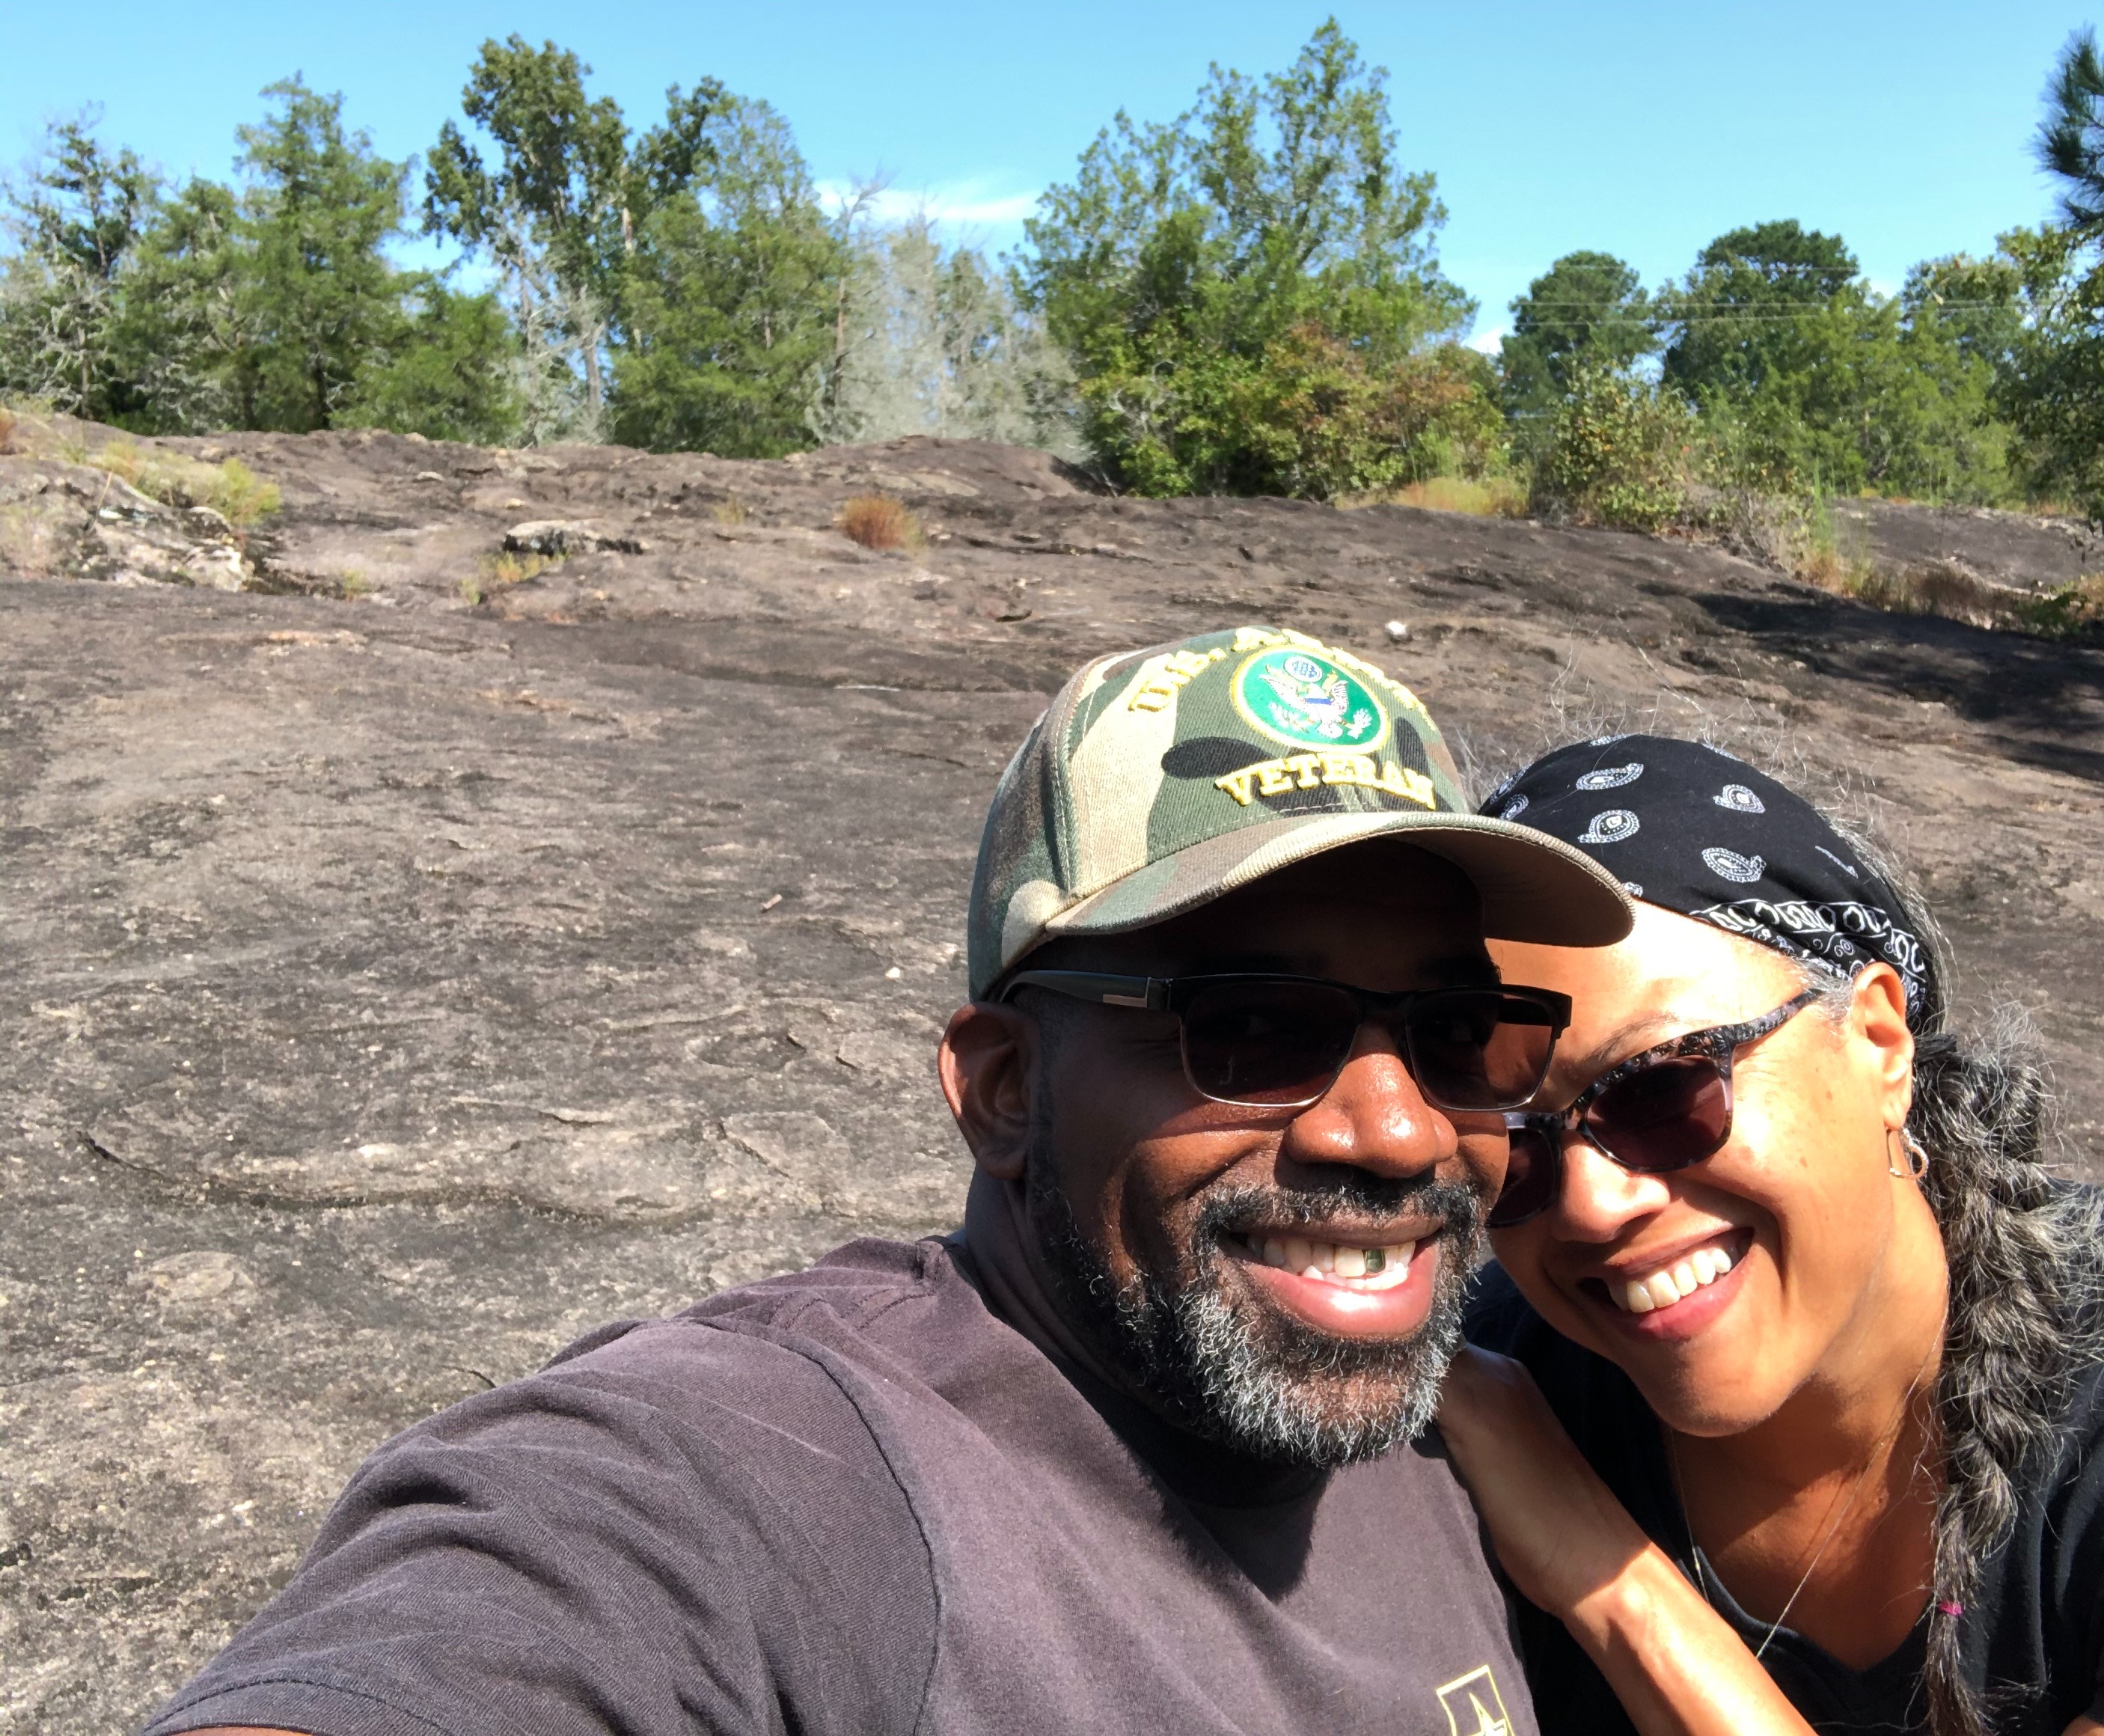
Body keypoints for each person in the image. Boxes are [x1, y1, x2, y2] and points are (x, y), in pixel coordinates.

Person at [142, 624, 1631, 1736]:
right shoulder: (775, 1466)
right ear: (999, 1089)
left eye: (1452, 1033)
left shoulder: (1472, 1437)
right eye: (1246, 1026)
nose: (1390, 1130)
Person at [1434, 733, 2104, 1736]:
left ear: (1880, 1044)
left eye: (1661, 1089)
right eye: (1509, 1146)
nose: (1591, 1205)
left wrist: (1612, 1584)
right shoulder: (1483, 1398)